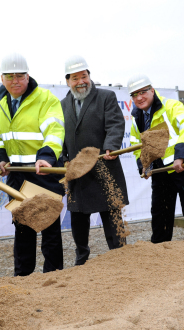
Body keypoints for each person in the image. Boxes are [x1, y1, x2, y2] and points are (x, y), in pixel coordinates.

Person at [0, 53, 65, 276]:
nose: (15, 81)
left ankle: (53, 276)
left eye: (20, 75)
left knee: (49, 227)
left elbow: (54, 130)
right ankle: (23, 276)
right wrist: (1, 158)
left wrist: (46, 156)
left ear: (28, 76)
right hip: (17, 174)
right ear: (2, 78)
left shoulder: (45, 98)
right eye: (10, 76)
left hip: (43, 171)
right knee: (22, 228)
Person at [61, 55, 129, 266]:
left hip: (104, 167)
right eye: (75, 78)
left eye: (84, 76)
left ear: (90, 76)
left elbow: (116, 124)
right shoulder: (62, 104)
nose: (81, 81)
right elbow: (59, 134)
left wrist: (111, 145)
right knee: (78, 221)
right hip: (77, 173)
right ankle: (82, 259)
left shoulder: (106, 97)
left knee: (111, 216)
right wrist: (64, 159)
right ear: (67, 81)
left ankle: (121, 257)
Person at [128, 74, 184, 243]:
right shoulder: (137, 118)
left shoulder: (171, 106)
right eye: (134, 94)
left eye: (143, 92)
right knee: (160, 217)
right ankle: (160, 258)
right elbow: (136, 145)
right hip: (160, 172)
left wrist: (182, 156)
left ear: (152, 90)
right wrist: (144, 165)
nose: (139, 97)